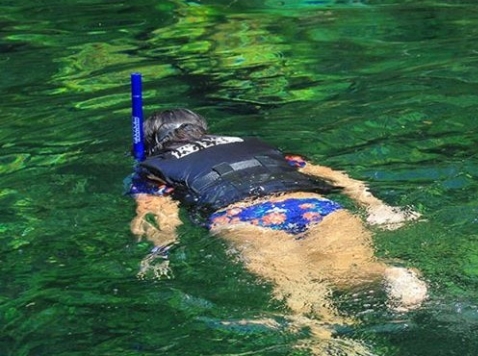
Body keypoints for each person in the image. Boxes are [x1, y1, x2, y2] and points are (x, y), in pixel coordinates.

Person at [128, 108, 428, 340]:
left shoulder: (154, 170)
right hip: (311, 205)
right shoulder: (249, 144)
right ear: (202, 128)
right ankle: (387, 274)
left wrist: (160, 251)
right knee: (350, 274)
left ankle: (326, 342)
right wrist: (375, 205)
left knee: (300, 291)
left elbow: (159, 216)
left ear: (154, 142)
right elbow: (329, 173)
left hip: (244, 218)